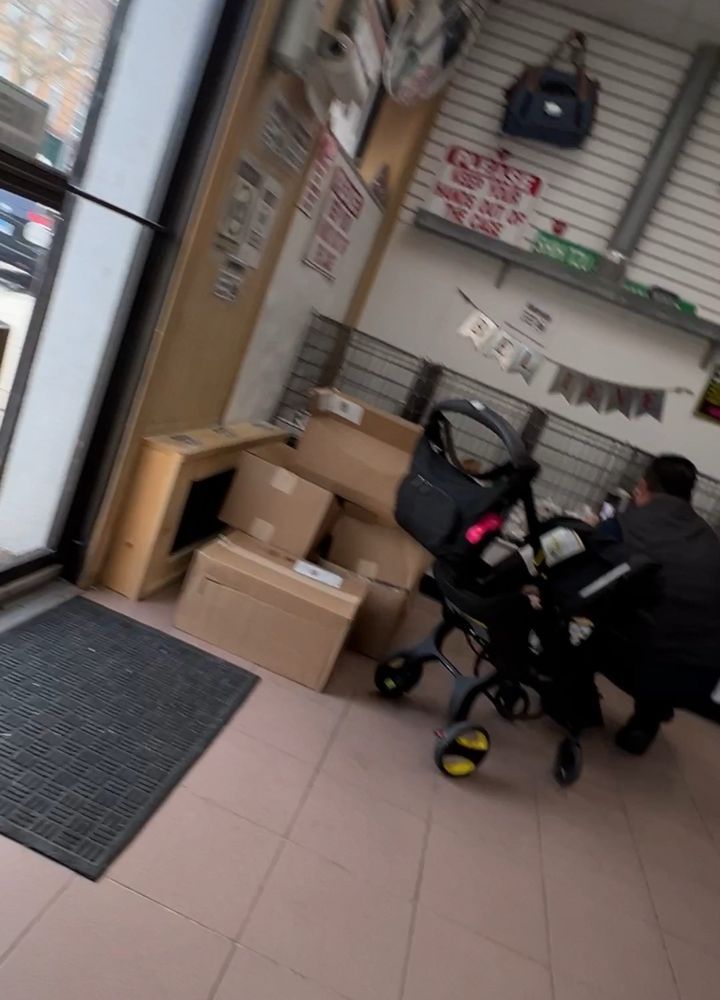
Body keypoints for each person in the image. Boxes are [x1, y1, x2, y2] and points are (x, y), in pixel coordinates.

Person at [597, 454, 720, 754]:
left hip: (634, 658)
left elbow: (591, 576)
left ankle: (572, 699)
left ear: (641, 487)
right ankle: (644, 723)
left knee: (585, 615)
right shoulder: (710, 540)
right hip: (702, 680)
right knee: (671, 632)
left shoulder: (626, 523)